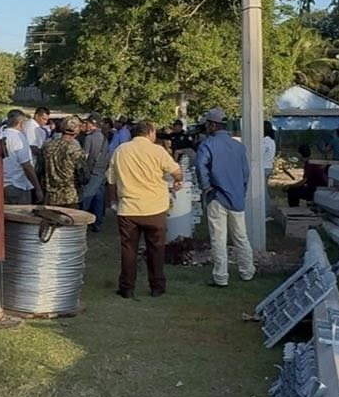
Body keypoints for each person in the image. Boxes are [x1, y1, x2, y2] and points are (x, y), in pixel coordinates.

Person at [106, 120, 181, 298]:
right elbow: (176, 171)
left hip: (128, 208)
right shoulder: (157, 151)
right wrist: (178, 181)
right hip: (155, 208)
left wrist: (113, 202)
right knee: (156, 249)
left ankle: (127, 287)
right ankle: (157, 286)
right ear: (150, 132)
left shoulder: (120, 151)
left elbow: (111, 180)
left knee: (128, 249)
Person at [194, 108, 255, 288]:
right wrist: (242, 191)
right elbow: (245, 173)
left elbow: (200, 165)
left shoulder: (208, 144)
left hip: (217, 196)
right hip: (236, 197)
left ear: (213, 125)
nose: (206, 127)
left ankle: (221, 277)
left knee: (218, 238)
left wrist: (205, 186)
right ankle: (247, 272)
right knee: (241, 236)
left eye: (207, 124)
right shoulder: (238, 146)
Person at [39, 115, 85, 208]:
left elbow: (41, 169)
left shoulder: (48, 146)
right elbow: (83, 175)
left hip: (51, 196)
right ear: (76, 130)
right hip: (70, 196)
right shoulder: (75, 149)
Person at [0, 109, 39, 207]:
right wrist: (37, 188)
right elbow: (27, 165)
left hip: (0, 184)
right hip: (17, 185)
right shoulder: (19, 138)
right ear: (21, 123)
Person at [78, 113, 109, 230]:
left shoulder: (89, 138)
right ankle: (98, 222)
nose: (86, 125)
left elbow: (85, 156)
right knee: (98, 198)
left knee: (86, 197)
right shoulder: (104, 138)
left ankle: (82, 223)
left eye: (88, 123)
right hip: (101, 170)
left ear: (92, 124)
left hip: (92, 171)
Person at [288, 144, 330, 208]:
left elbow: (303, 182)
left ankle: (294, 209)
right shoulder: (311, 162)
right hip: (317, 188)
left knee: (292, 190)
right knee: (299, 188)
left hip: (316, 189)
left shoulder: (309, 164)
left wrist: (290, 186)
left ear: (300, 154)